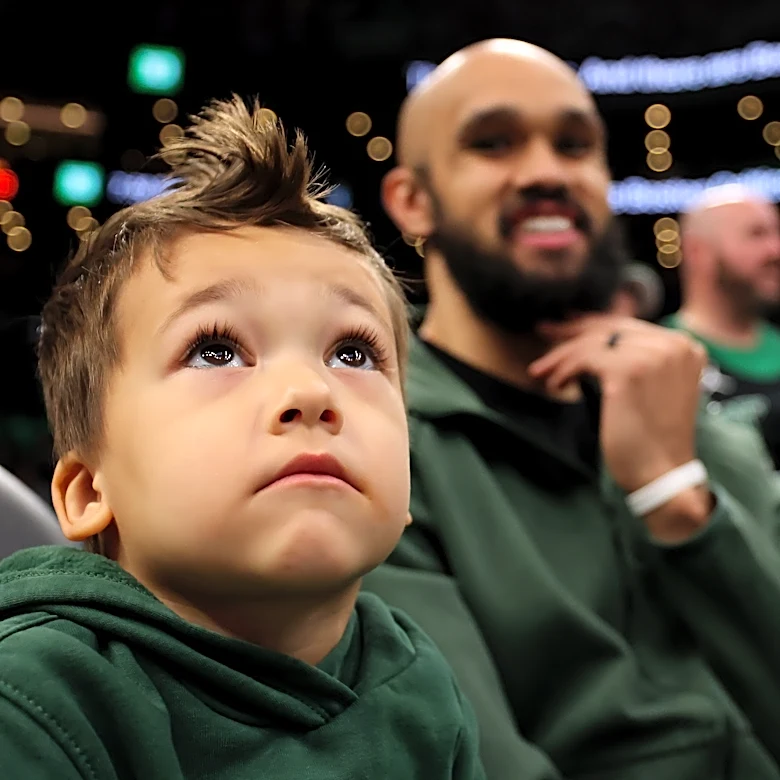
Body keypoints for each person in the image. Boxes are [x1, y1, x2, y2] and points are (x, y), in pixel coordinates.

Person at [0, 97, 484, 780]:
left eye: (352, 353)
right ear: (87, 493)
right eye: (216, 351)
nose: (311, 392)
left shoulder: (420, 678)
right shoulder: (32, 702)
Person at [363, 39, 780, 779]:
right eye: (493, 143)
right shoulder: (378, 447)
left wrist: (677, 497)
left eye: (575, 145)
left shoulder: (694, 415)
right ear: (412, 201)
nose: (547, 172)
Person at [664, 184, 780, 468]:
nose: (775, 249)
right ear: (697, 252)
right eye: (756, 234)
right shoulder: (663, 358)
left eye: (776, 232)